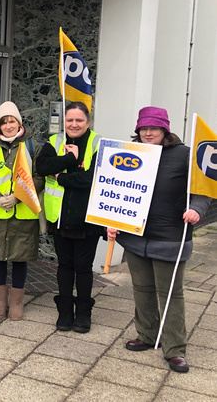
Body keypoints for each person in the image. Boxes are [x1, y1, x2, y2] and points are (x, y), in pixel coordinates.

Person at [108, 107, 210, 373]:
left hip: (170, 237)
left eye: (154, 128)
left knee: (170, 294)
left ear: (165, 129)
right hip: (135, 237)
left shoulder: (185, 156)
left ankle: (175, 348)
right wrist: (111, 221)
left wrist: (197, 209)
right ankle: (147, 334)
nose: (148, 132)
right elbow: (115, 190)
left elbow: (203, 190)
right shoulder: (130, 152)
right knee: (141, 289)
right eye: (144, 128)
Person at [35, 101, 103, 333]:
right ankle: (64, 312)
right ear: (64, 121)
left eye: (79, 120)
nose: (74, 124)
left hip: (87, 219)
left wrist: (62, 176)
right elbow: (42, 166)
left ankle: (83, 313)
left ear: (88, 122)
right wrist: (68, 161)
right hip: (60, 218)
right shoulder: (54, 141)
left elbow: (91, 179)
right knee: (64, 266)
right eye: (70, 120)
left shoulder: (98, 144)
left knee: (83, 268)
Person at [0, 102, 43, 320]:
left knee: (19, 258)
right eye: (4, 122)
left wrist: (18, 197)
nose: (8, 125)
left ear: (19, 122)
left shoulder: (33, 147)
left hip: (22, 213)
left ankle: (16, 304)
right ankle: (0, 302)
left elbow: (40, 177)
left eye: (12, 120)